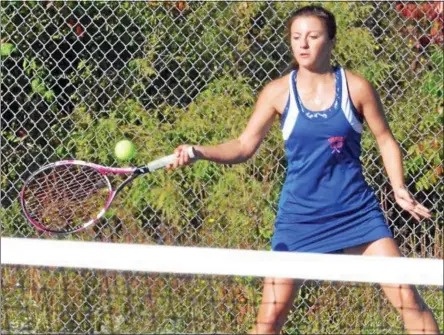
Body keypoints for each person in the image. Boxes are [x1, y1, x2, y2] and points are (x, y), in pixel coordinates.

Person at [168, 5, 440, 334]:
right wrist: (199, 151)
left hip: (356, 213)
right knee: (269, 320)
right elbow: (243, 146)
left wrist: (398, 188)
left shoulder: (356, 87)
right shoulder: (277, 93)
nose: (303, 44)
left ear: (331, 40)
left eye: (312, 36)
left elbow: (385, 139)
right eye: (297, 37)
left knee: (407, 297)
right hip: (299, 218)